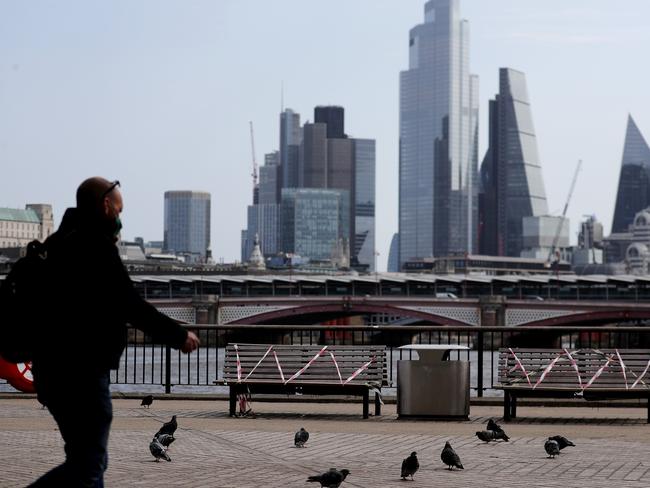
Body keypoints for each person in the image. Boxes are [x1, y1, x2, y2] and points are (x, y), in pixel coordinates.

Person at [29, 177, 200, 487]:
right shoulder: (93, 244)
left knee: (89, 460)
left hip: (52, 370)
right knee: (89, 463)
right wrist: (178, 336)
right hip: (81, 370)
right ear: (105, 206)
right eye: (119, 209)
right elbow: (130, 303)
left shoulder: (58, 242)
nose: (121, 217)